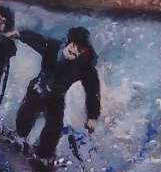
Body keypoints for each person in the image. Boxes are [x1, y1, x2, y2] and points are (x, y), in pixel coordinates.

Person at [15, 26, 100, 160]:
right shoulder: (53, 48)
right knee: (25, 117)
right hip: (38, 88)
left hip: (56, 96)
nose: (74, 50)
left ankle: (44, 155)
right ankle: (20, 136)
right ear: (67, 43)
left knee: (54, 127)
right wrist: (20, 34)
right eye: (72, 46)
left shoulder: (85, 67)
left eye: (79, 49)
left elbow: (92, 91)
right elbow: (37, 40)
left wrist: (92, 117)